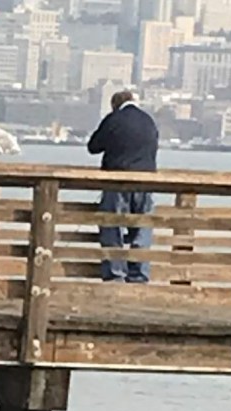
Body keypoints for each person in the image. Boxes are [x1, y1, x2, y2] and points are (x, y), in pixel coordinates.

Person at [86, 87, 160, 283]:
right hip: (146, 182)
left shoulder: (114, 119)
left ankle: (115, 273)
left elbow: (93, 147)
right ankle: (139, 273)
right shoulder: (149, 121)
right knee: (142, 227)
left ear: (115, 105)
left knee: (112, 225)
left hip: (117, 180)